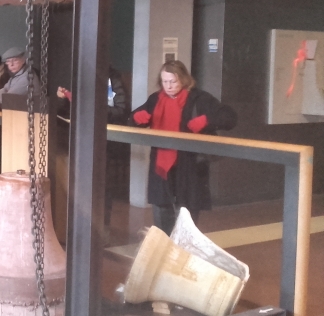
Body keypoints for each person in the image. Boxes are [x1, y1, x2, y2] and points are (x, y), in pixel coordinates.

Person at [130, 60, 237, 234]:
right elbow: (136, 118)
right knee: (162, 216)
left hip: (189, 166)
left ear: (184, 80)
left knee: (186, 219)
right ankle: (165, 254)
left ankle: (183, 254)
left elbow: (229, 117)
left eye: (173, 81)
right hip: (161, 166)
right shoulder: (156, 99)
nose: (169, 86)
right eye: (165, 81)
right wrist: (137, 118)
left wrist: (207, 121)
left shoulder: (199, 98)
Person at [57, 66, 129, 234]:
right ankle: (82, 228)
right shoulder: (82, 81)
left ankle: (101, 230)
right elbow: (70, 109)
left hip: (105, 142)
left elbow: (120, 110)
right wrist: (63, 99)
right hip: (81, 138)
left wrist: (93, 107)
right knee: (80, 185)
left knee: (101, 187)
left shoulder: (113, 82)